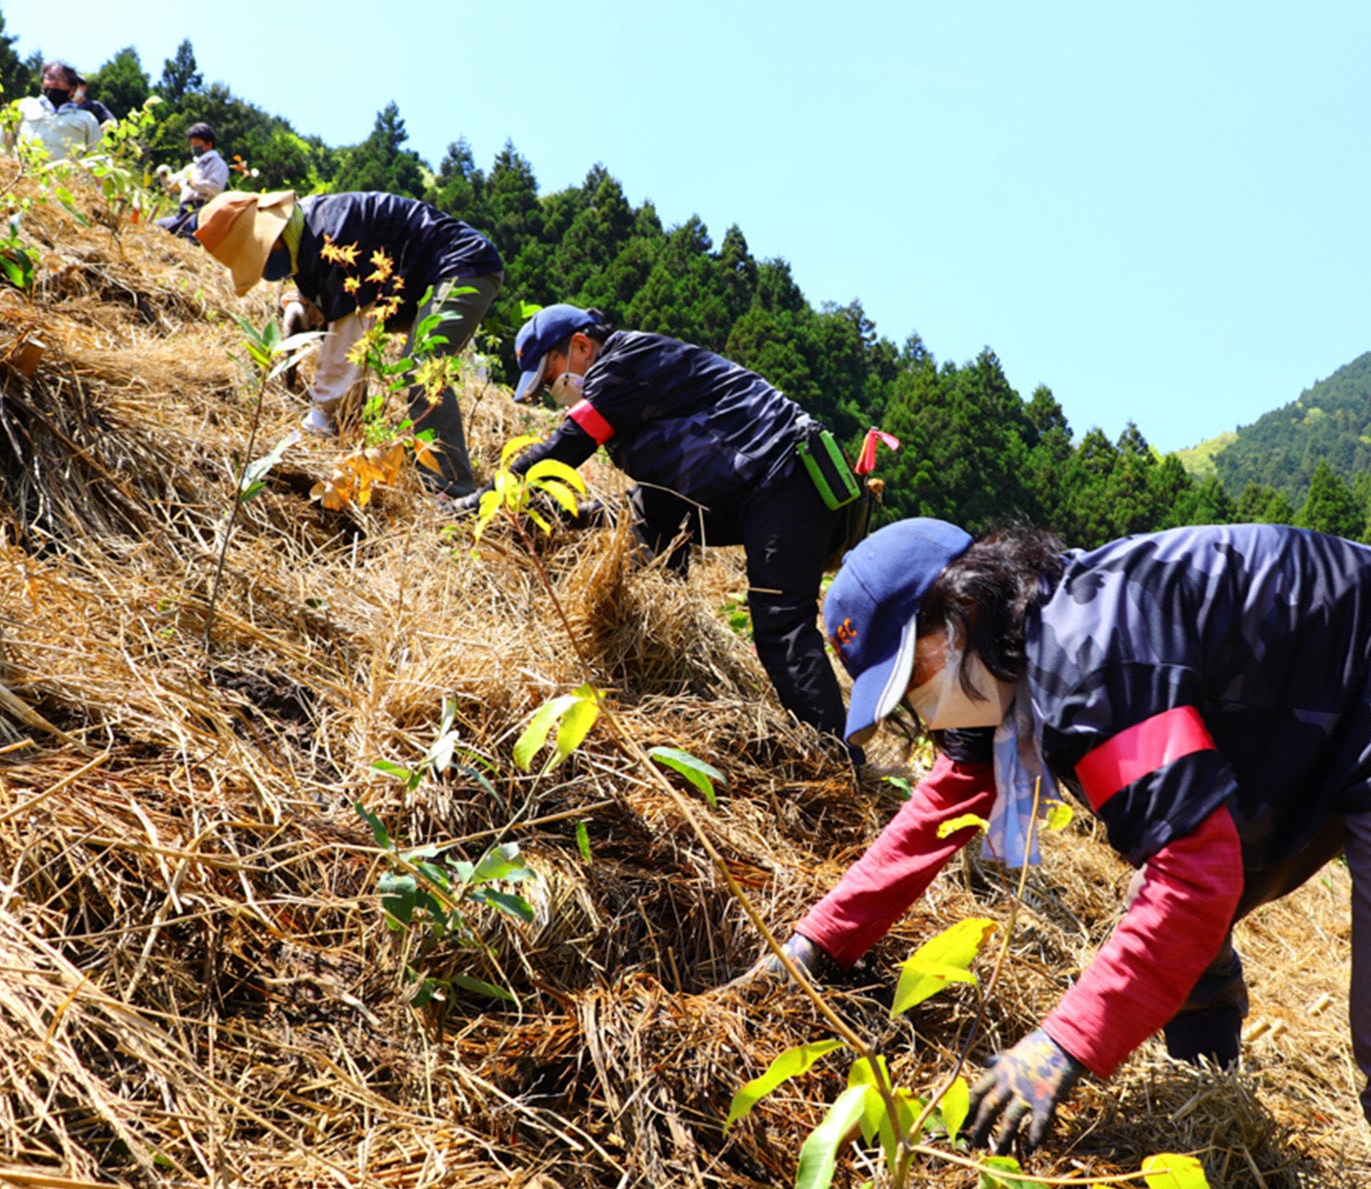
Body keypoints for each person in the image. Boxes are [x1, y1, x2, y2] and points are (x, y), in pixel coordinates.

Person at [738, 518, 1371, 1189]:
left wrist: (1059, 1047)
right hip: (1314, 724)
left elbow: (1194, 880)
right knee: (1180, 874)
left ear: (960, 612)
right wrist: (814, 947)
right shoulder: (1008, 664)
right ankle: (1212, 1085)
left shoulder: (1090, 659)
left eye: (909, 675)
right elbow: (936, 815)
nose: (915, 705)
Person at [501, 304, 864, 758]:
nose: (554, 394)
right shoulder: (637, 398)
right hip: (755, 489)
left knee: (780, 627)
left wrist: (498, 492)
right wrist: (563, 516)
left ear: (579, 345)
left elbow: (567, 447)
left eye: (550, 378)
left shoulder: (622, 363)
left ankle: (839, 763)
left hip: (786, 476)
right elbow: (647, 506)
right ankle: (671, 680)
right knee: (654, 521)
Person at [194, 189, 503, 507]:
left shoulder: (334, 232)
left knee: (422, 364)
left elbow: (350, 335)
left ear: (272, 233)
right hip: (414, 283)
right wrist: (302, 306)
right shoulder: (306, 234)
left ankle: (450, 492)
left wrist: (320, 419)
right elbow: (333, 298)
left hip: (462, 265)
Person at [14, 61, 101, 163]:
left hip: (66, 178)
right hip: (24, 175)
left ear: (72, 89)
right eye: (49, 78)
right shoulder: (24, 106)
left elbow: (97, 158)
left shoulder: (87, 119)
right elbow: (0, 142)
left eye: (61, 78)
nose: (54, 83)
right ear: (42, 82)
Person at [156, 124, 229, 241]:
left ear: (209, 144)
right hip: (183, 213)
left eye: (196, 143)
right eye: (192, 143)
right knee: (154, 227)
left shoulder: (218, 164)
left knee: (189, 242)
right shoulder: (192, 167)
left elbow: (215, 188)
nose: (193, 147)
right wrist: (164, 176)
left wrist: (194, 184)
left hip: (201, 212)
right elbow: (172, 186)